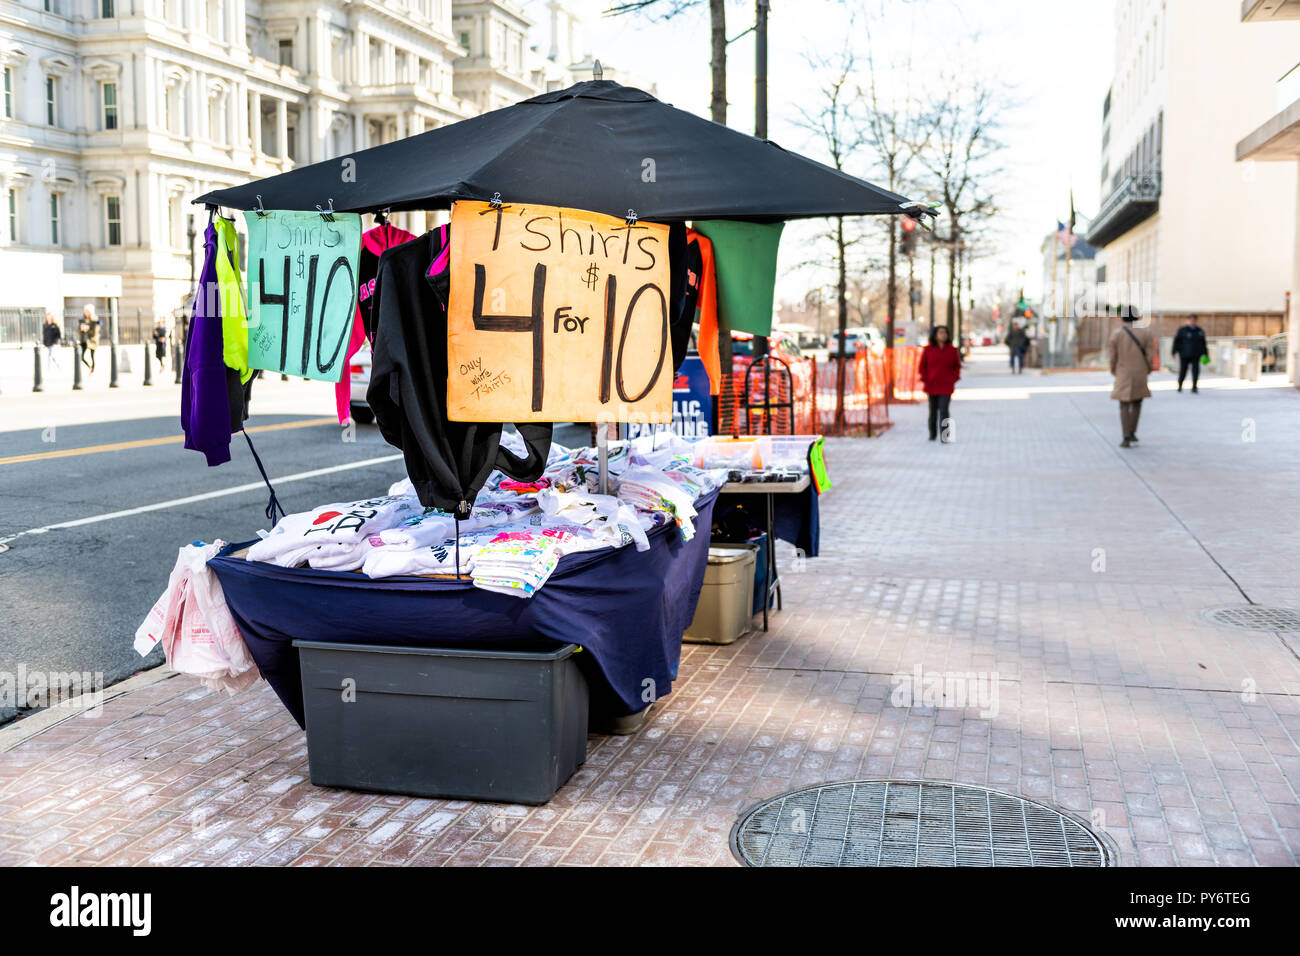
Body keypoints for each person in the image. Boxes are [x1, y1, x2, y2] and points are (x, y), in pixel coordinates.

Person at [1108, 306, 1154, 448]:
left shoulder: (1116, 334)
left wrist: (1114, 371)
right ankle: (1133, 432)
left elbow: (1112, 357)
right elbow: (1150, 356)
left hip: (1123, 372)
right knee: (1137, 403)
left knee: (1123, 405)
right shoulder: (1146, 333)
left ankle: (1125, 436)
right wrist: (1147, 369)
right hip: (1140, 372)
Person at [919, 324, 962, 442]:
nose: (943, 335)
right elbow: (922, 366)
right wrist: (926, 378)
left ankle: (945, 435)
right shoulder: (928, 349)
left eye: (945, 333)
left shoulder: (952, 350)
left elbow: (957, 366)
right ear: (935, 335)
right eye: (940, 333)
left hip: (946, 385)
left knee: (944, 410)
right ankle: (932, 434)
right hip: (932, 385)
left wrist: (954, 378)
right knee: (932, 411)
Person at [1171, 313, 1208, 393]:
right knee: (1183, 371)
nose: (1192, 321)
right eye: (1190, 320)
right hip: (1184, 354)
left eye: (1193, 320)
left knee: (1195, 371)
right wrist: (1174, 351)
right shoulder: (1182, 330)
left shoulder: (1199, 331)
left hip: (1196, 355)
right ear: (1187, 320)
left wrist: (1206, 354)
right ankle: (1180, 385)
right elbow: (1176, 342)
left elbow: (1204, 343)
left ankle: (1194, 387)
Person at [78, 304, 100, 374]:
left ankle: (92, 369)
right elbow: (78, 329)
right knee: (81, 356)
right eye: (85, 311)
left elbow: (95, 332)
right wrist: (81, 329)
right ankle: (89, 367)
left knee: (92, 356)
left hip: (92, 341)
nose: (86, 313)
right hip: (84, 340)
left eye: (87, 311)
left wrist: (87, 329)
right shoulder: (82, 320)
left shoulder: (94, 320)